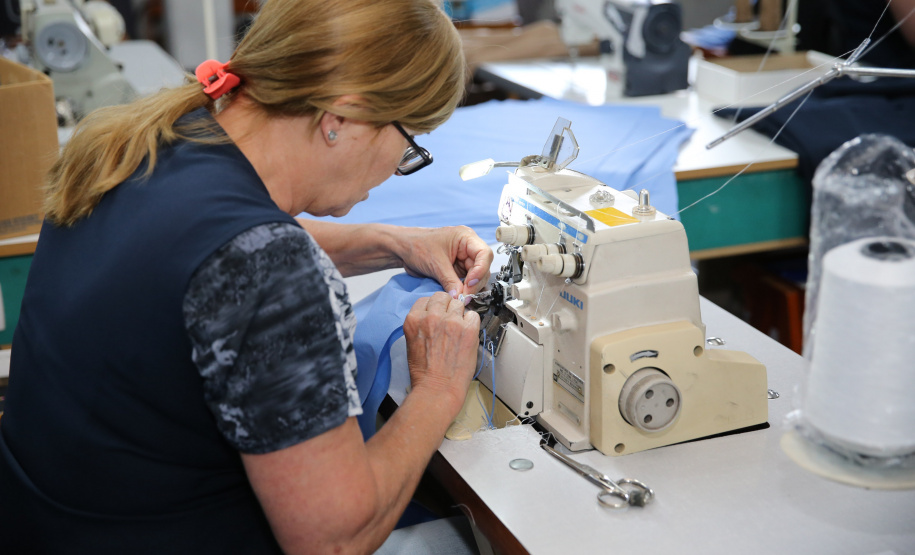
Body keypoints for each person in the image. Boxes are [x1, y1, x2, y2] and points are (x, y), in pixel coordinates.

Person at [0, 0, 493, 553]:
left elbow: (203, 248)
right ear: (341, 119)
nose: (397, 167)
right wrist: (438, 386)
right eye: (408, 145)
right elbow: (333, 538)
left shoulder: (140, 142)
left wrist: (396, 244)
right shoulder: (264, 266)